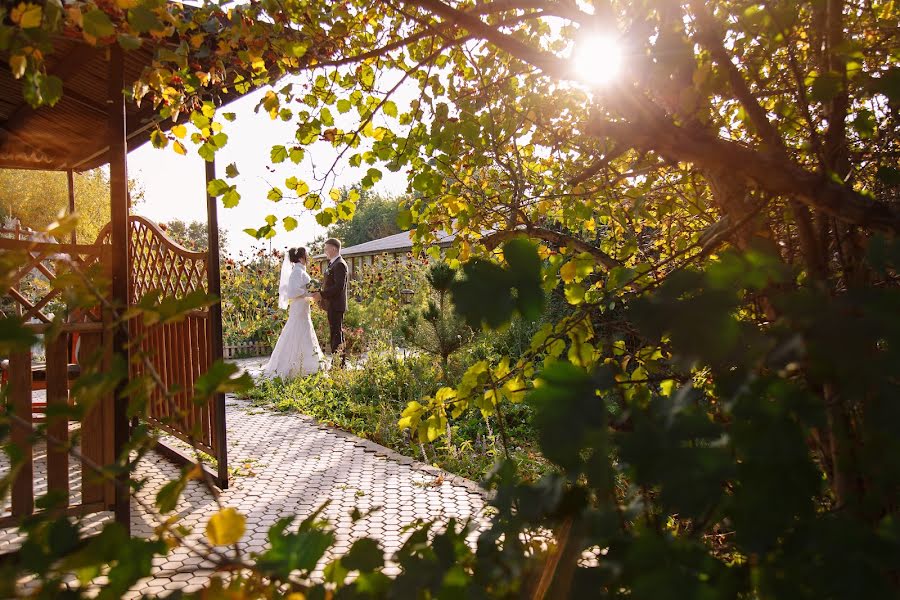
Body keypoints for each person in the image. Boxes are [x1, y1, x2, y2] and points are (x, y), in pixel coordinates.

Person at [263, 247, 324, 379]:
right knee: (297, 331)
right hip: (299, 307)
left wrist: (311, 292)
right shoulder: (297, 272)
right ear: (302, 257)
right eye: (306, 256)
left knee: (303, 331)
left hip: (303, 306)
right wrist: (309, 292)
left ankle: (307, 363)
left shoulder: (300, 271)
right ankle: (294, 365)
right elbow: (292, 292)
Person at [311, 238, 348, 367]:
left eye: (326, 249)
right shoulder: (332, 263)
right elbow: (329, 284)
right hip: (332, 305)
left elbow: (338, 287)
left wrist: (321, 294)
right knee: (335, 334)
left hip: (336, 305)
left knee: (336, 334)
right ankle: (338, 362)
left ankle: (339, 364)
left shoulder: (340, 264)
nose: (325, 251)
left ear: (333, 249)